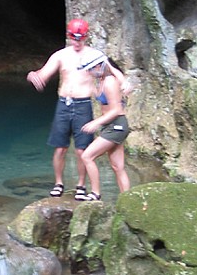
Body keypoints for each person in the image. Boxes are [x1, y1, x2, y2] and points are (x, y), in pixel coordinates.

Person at [27, 18, 127, 199]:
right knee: (60, 147)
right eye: (74, 38)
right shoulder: (60, 55)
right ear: (69, 36)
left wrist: (124, 82)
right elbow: (43, 73)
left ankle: (81, 185)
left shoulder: (95, 55)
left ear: (86, 37)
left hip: (83, 104)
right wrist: (33, 75)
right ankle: (58, 183)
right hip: (64, 103)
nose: (77, 42)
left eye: (80, 39)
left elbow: (112, 70)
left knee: (82, 149)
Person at [77, 52, 130, 201]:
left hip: (116, 126)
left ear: (99, 66)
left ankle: (95, 193)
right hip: (110, 126)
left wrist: (96, 122)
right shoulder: (100, 81)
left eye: (90, 69)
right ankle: (127, 200)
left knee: (87, 156)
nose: (89, 72)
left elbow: (116, 110)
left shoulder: (110, 81)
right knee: (117, 167)